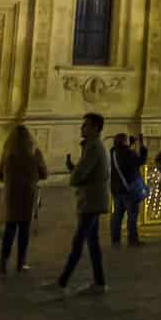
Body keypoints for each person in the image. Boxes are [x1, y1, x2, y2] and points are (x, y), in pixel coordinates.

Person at [54, 112, 110, 292]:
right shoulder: (93, 146)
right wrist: (74, 169)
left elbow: (81, 173)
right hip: (92, 200)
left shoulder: (93, 147)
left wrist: (74, 174)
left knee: (78, 242)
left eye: (85, 125)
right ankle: (99, 282)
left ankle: (63, 281)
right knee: (92, 243)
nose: (82, 128)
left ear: (95, 128)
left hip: (90, 201)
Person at [0, 125, 47, 274]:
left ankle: (2, 264)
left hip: (11, 194)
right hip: (28, 194)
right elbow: (44, 174)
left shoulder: (7, 154)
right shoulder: (35, 154)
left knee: (9, 230)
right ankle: (21, 262)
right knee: (24, 230)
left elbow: (0, 176)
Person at [109, 133, 146, 246]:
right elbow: (140, 161)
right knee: (132, 215)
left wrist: (130, 144)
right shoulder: (130, 153)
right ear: (125, 141)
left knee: (117, 215)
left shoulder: (113, 152)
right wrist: (142, 145)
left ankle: (115, 239)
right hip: (129, 189)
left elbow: (123, 155)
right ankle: (132, 239)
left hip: (117, 188)